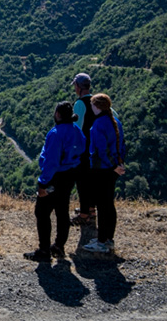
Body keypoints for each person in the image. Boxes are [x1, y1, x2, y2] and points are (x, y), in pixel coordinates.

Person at [24, 102, 85, 262]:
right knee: (62, 210)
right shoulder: (76, 130)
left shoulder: (56, 133)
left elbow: (51, 161)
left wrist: (43, 183)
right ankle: (59, 245)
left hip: (55, 176)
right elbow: (83, 148)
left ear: (57, 114)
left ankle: (44, 250)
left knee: (42, 212)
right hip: (70, 175)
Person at [82, 93, 126, 254]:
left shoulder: (98, 124)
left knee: (102, 206)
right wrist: (119, 163)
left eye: (93, 105)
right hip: (113, 169)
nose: (91, 108)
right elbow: (122, 145)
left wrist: (112, 166)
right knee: (109, 205)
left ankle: (101, 242)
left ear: (97, 106)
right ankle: (108, 239)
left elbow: (101, 150)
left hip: (103, 170)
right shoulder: (116, 122)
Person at [70, 73, 97, 226]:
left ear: (79, 87)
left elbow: (77, 129)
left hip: (84, 149)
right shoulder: (97, 101)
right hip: (96, 149)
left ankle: (84, 214)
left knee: (82, 182)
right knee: (91, 181)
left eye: (75, 86)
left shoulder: (80, 104)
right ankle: (91, 210)